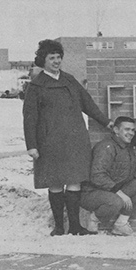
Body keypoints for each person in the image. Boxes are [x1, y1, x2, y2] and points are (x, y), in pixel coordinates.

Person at [23, 39, 112, 236]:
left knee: (74, 181)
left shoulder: (70, 80)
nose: (56, 61)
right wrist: (32, 145)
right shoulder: (36, 86)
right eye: (51, 58)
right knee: (55, 183)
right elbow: (29, 118)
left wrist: (107, 122)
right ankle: (59, 227)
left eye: (58, 57)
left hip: (75, 140)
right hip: (50, 143)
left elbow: (88, 104)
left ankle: (75, 226)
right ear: (43, 61)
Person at [80, 116, 136, 236]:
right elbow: (97, 175)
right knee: (116, 201)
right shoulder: (106, 147)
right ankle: (92, 219)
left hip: (111, 192)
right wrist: (119, 192)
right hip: (91, 193)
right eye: (127, 129)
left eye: (133, 130)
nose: (131, 133)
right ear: (116, 130)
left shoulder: (127, 150)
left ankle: (120, 224)